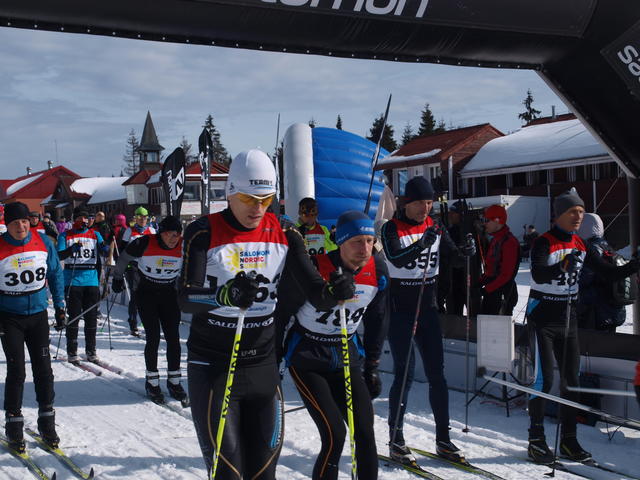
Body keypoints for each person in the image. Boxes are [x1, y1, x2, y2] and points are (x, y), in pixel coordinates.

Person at [177, 149, 353, 478]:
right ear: (230, 191)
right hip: (215, 367)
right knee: (228, 471)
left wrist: (335, 291)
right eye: (249, 198)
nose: (258, 208)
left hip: (263, 365)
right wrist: (225, 295)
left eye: (266, 199)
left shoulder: (286, 232)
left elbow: (315, 290)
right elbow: (185, 298)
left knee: (263, 474)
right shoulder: (203, 232)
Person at [525, 188, 640, 465]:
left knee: (572, 381)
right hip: (543, 318)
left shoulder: (581, 243)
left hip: (568, 318)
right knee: (544, 380)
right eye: (572, 212)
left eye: (581, 211)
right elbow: (539, 273)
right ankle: (536, 440)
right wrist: (563, 266)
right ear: (558, 215)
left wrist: (633, 265)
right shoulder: (544, 242)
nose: (578, 216)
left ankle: (569, 439)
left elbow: (607, 272)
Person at [277, 210, 388, 480]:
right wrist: (274, 358)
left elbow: (377, 320)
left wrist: (372, 365)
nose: (365, 249)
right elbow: (282, 313)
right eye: (357, 242)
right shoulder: (315, 268)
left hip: (346, 356)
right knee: (335, 434)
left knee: (364, 431)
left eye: (370, 241)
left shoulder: (378, 270)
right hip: (308, 358)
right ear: (340, 242)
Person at [381, 176, 475, 465]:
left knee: (438, 375)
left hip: (428, 310)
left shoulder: (435, 226)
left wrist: (466, 252)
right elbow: (395, 258)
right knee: (404, 374)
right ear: (407, 203)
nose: (425, 208)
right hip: (400, 311)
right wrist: (422, 244)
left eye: (429, 202)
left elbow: (453, 257)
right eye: (420, 202)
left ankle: (443, 439)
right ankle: (396, 439)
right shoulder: (391, 228)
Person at [0, 202, 66, 451]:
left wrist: (60, 306)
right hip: (9, 317)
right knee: (17, 370)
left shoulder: (43, 241)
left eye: (25, 221)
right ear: (7, 224)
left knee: (44, 369)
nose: (21, 226)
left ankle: (47, 421)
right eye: (15, 222)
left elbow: (55, 274)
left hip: (38, 315)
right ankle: (14, 424)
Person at [112, 216, 188, 404]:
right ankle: (152, 382)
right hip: (146, 294)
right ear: (161, 233)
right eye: (170, 234)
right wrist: (117, 277)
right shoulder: (144, 242)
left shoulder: (183, 245)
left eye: (177, 235)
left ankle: (174, 381)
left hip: (169, 294)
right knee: (153, 338)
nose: (174, 238)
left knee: (173, 338)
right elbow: (123, 258)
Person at [57, 208, 107, 363]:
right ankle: (72, 351)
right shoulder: (65, 235)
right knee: (74, 316)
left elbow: (104, 250)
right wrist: (70, 250)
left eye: (86, 218)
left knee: (91, 318)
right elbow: (59, 255)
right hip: (72, 280)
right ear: (75, 219)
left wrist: (105, 247)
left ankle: (91, 350)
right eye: (80, 218)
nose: (83, 221)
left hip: (91, 280)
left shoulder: (95, 234)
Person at [576, 213, 630, 332]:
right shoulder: (607, 246)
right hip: (612, 306)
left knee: (590, 341)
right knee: (608, 340)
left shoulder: (591, 249)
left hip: (594, 308)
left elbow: (585, 278)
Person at [476, 205, 520, 315]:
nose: (484, 224)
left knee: (495, 325)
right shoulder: (495, 240)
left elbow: (506, 275)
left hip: (502, 295)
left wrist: (486, 289)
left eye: (487, 220)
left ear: (497, 221)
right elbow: (492, 269)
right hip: (492, 293)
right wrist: (480, 282)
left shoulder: (509, 242)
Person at [121, 206, 156, 335]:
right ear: (135, 218)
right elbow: (122, 248)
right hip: (133, 266)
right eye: (140, 217)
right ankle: (133, 322)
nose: (142, 219)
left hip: (148, 267)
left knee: (149, 296)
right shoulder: (129, 231)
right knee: (135, 295)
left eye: (145, 217)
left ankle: (149, 324)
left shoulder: (151, 230)